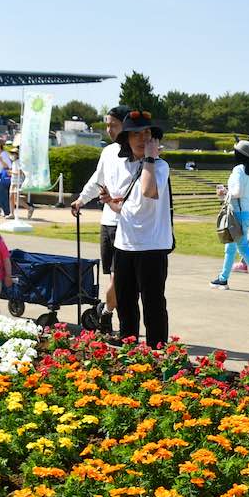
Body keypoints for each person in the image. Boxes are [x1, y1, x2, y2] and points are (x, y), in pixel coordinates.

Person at [100, 110, 173, 347]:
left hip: (152, 245)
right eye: (136, 135)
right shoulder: (123, 166)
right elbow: (128, 208)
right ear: (126, 139)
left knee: (152, 301)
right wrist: (110, 201)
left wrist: (150, 158)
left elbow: (149, 191)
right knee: (125, 298)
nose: (142, 139)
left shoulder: (159, 166)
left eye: (147, 134)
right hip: (125, 243)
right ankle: (128, 342)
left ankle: (157, 349)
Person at [71, 106, 130, 318]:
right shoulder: (108, 152)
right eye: (107, 125)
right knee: (114, 277)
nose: (109, 129)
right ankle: (107, 312)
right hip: (108, 223)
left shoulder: (137, 154)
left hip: (128, 224)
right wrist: (81, 200)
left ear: (127, 125)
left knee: (119, 278)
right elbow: (98, 181)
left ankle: (105, 311)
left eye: (114, 125)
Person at [211, 139, 249, 296]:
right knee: (230, 247)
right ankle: (223, 278)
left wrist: (224, 192)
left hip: (237, 215)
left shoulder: (239, 170)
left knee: (242, 247)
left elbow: (237, 192)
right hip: (247, 215)